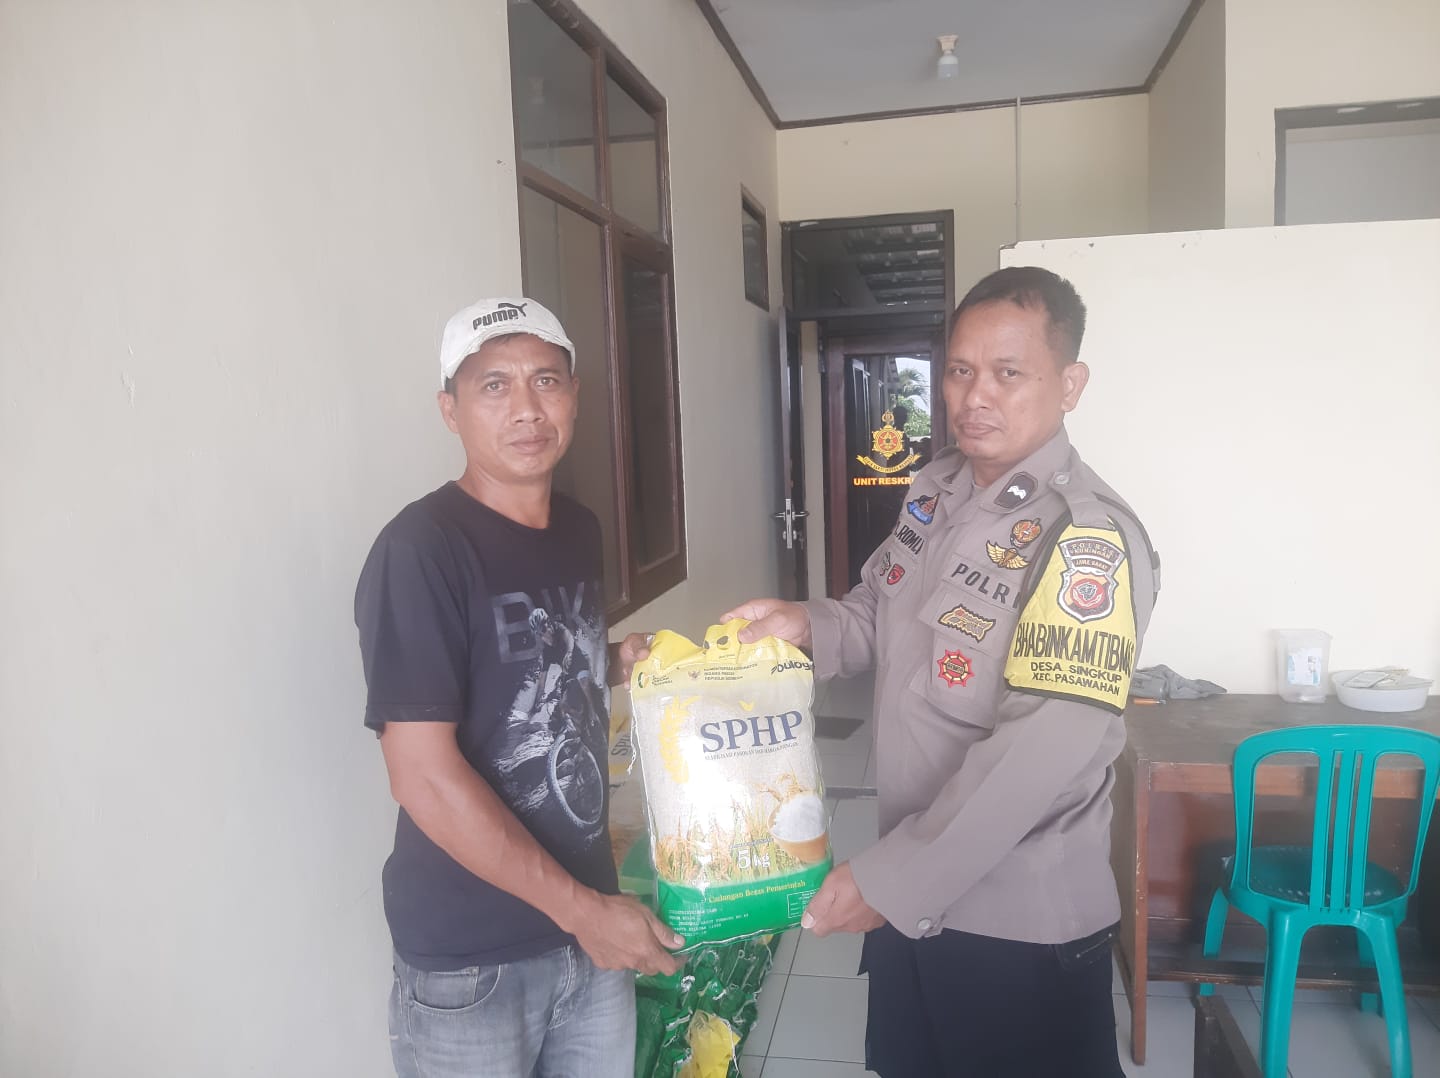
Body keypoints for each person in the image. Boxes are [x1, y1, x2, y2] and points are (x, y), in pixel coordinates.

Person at [722, 267, 1162, 1077]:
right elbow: (878, 609)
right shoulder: (936, 487)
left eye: (1008, 372)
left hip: (1016, 922)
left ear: (1070, 384)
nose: (975, 395)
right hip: (914, 888)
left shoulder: (1085, 539)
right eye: (960, 370)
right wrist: (805, 624)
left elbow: (1039, 754)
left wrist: (889, 881)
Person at [354, 298, 681, 1078]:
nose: (527, 408)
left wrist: (613, 659)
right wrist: (588, 914)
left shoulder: (577, 529)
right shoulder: (421, 549)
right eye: (494, 385)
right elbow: (422, 776)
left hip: (588, 927)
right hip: (475, 959)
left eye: (546, 380)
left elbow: (530, 655)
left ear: (574, 396)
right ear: (451, 411)